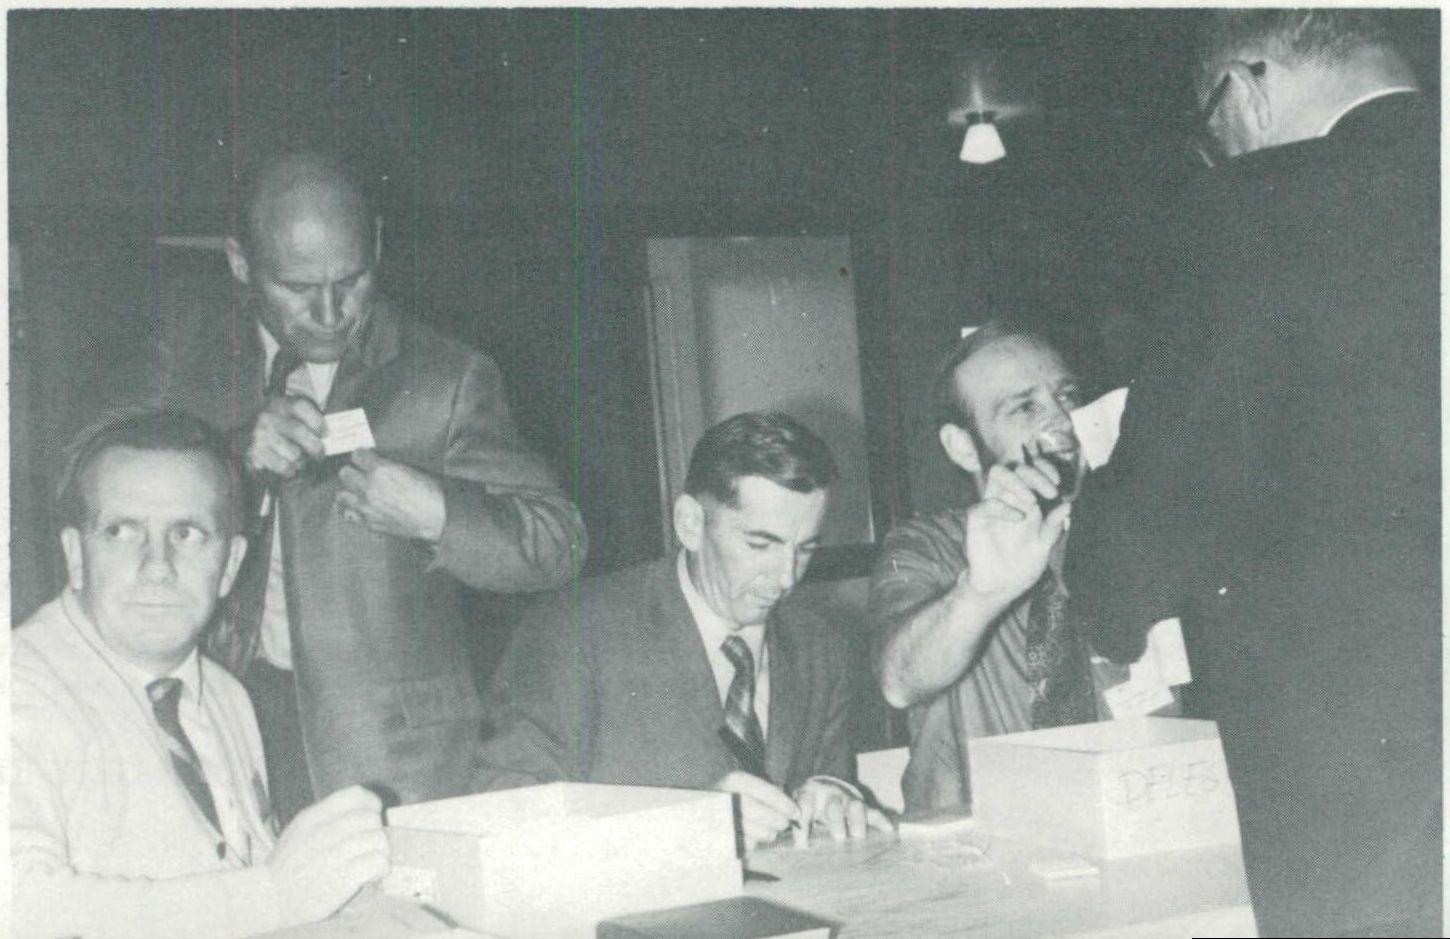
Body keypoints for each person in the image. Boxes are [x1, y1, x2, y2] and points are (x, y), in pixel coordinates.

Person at [1065, 11, 1438, 937]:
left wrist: (1096, 563)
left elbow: (1152, 522)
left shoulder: (1260, 206)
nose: (1222, 151)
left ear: (1248, 87)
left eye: (1214, 129)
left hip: (1368, 796)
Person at [152, 150, 586, 826]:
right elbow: (117, 507)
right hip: (228, 727)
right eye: (298, 287)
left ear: (377, 244)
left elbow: (558, 542)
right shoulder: (186, 367)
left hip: (395, 758)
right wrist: (234, 460)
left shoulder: (447, 375)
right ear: (240, 262)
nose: (330, 312)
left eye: (351, 280)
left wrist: (437, 513)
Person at [12, 409, 391, 939]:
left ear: (230, 566)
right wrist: (273, 896)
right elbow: (18, 904)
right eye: (122, 532)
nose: (157, 566)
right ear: (76, 556)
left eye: (187, 534)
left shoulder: (226, 696)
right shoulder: (19, 691)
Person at [473, 412, 889, 847]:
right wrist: (686, 824)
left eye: (804, 549)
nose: (786, 577)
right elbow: (505, 809)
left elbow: (825, 779)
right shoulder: (577, 632)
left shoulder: (821, 647)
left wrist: (832, 795)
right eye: (760, 544)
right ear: (690, 523)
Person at [869, 322, 1097, 812]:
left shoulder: (1127, 540)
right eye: (1025, 407)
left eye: (1067, 396)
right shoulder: (925, 547)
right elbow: (898, 681)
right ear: (963, 446)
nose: (1063, 420)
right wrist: (981, 594)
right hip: (977, 843)